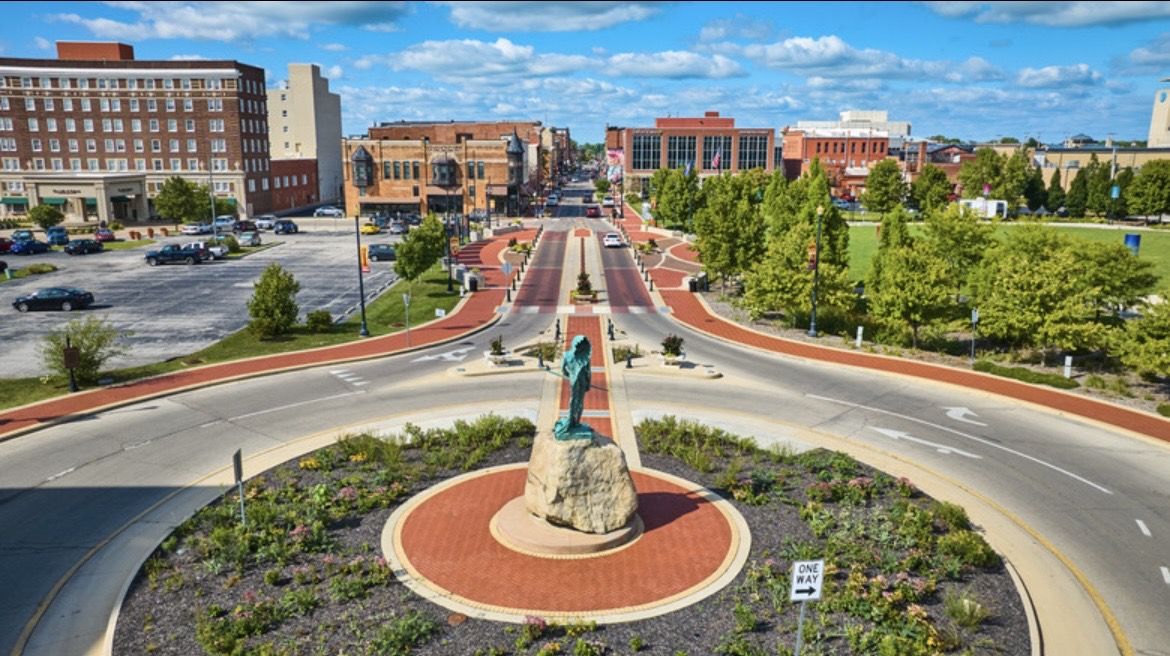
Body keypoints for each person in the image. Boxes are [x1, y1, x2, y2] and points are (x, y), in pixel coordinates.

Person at [553, 335, 592, 439]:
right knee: (577, 402)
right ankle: (572, 423)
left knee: (576, 402)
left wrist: (570, 375)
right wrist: (588, 383)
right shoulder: (584, 356)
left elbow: (563, 369)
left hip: (577, 382)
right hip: (581, 382)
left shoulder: (567, 355)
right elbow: (588, 373)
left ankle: (574, 423)